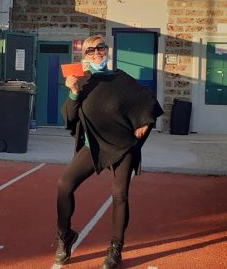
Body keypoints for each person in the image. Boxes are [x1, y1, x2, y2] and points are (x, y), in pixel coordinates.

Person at [54, 35, 163, 269]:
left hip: (123, 146)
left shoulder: (121, 79)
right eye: (90, 50)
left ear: (107, 49)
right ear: (83, 56)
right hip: (91, 145)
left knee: (119, 194)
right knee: (64, 184)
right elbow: (70, 116)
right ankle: (64, 236)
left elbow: (148, 103)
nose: (96, 53)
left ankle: (115, 249)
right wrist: (73, 92)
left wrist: (145, 122)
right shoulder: (81, 82)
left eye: (100, 48)